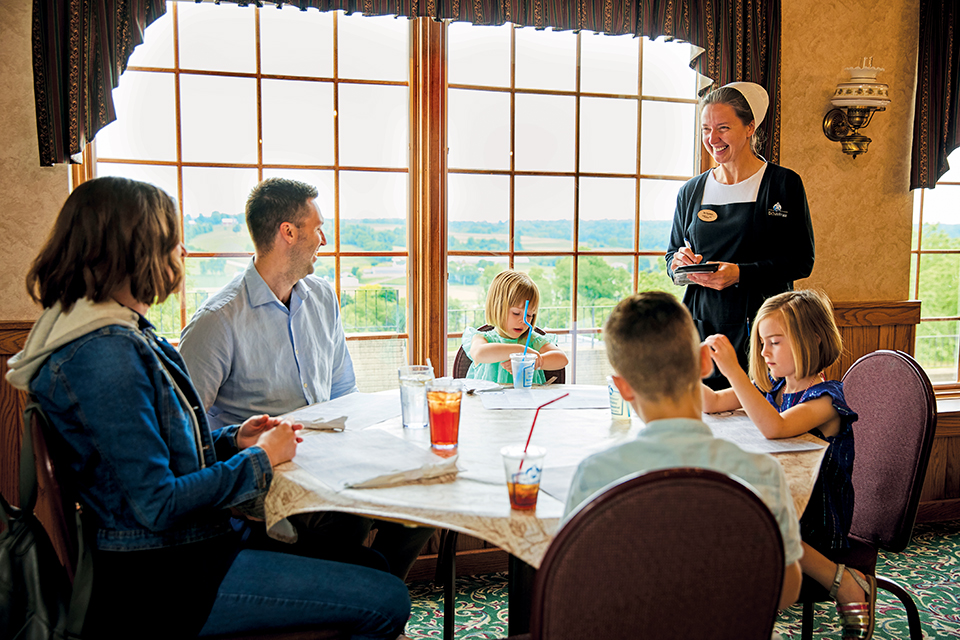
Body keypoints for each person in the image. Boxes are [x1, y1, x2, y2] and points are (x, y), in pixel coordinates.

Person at [4, 176, 411, 639]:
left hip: (190, 550)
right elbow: (156, 503)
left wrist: (232, 438)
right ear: (127, 250)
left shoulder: (116, 333)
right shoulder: (103, 354)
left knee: (370, 561)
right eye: (169, 240)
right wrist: (260, 459)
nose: (182, 252)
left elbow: (161, 455)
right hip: (167, 581)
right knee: (388, 598)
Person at [179, 177, 433, 581]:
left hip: (334, 464)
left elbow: (344, 393)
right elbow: (183, 437)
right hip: (269, 483)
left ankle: (371, 596)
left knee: (423, 501)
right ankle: (362, 601)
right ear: (288, 233)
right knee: (348, 520)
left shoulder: (322, 297)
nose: (324, 238)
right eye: (317, 228)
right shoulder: (217, 321)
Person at [564, 291, 803, 612]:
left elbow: (574, 585)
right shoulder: (761, 473)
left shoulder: (595, 474)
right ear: (705, 362)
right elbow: (787, 588)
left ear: (622, 387)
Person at [701, 289, 874, 640]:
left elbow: (774, 427)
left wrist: (733, 370)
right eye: (762, 342)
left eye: (775, 342)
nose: (764, 352)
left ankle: (842, 581)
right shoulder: (775, 389)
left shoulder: (826, 400)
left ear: (812, 339)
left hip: (817, 519)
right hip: (786, 503)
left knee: (746, 518)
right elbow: (713, 403)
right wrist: (678, 369)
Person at [665, 81, 815, 389]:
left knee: (758, 420)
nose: (712, 139)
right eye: (706, 129)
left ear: (750, 127)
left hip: (763, 328)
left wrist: (740, 274)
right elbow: (671, 258)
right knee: (703, 417)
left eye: (723, 128)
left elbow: (801, 261)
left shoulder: (783, 184)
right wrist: (679, 264)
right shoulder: (691, 192)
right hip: (702, 322)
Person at [461, 269, 568, 384]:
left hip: (529, 400)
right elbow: (479, 353)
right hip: (489, 400)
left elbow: (562, 358)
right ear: (497, 308)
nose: (524, 321)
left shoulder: (531, 340)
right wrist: (521, 351)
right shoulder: (482, 339)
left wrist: (538, 361)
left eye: (529, 315)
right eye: (516, 313)